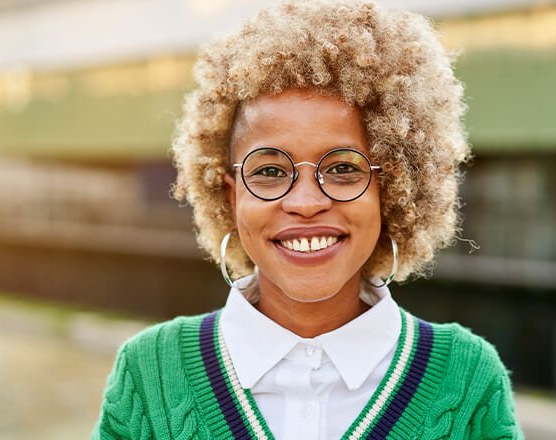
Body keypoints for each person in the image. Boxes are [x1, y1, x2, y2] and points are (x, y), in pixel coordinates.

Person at [91, 1, 523, 439]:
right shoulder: (148, 374)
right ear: (231, 195)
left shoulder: (468, 380)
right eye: (269, 171)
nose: (305, 202)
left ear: (389, 189)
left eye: (341, 169)